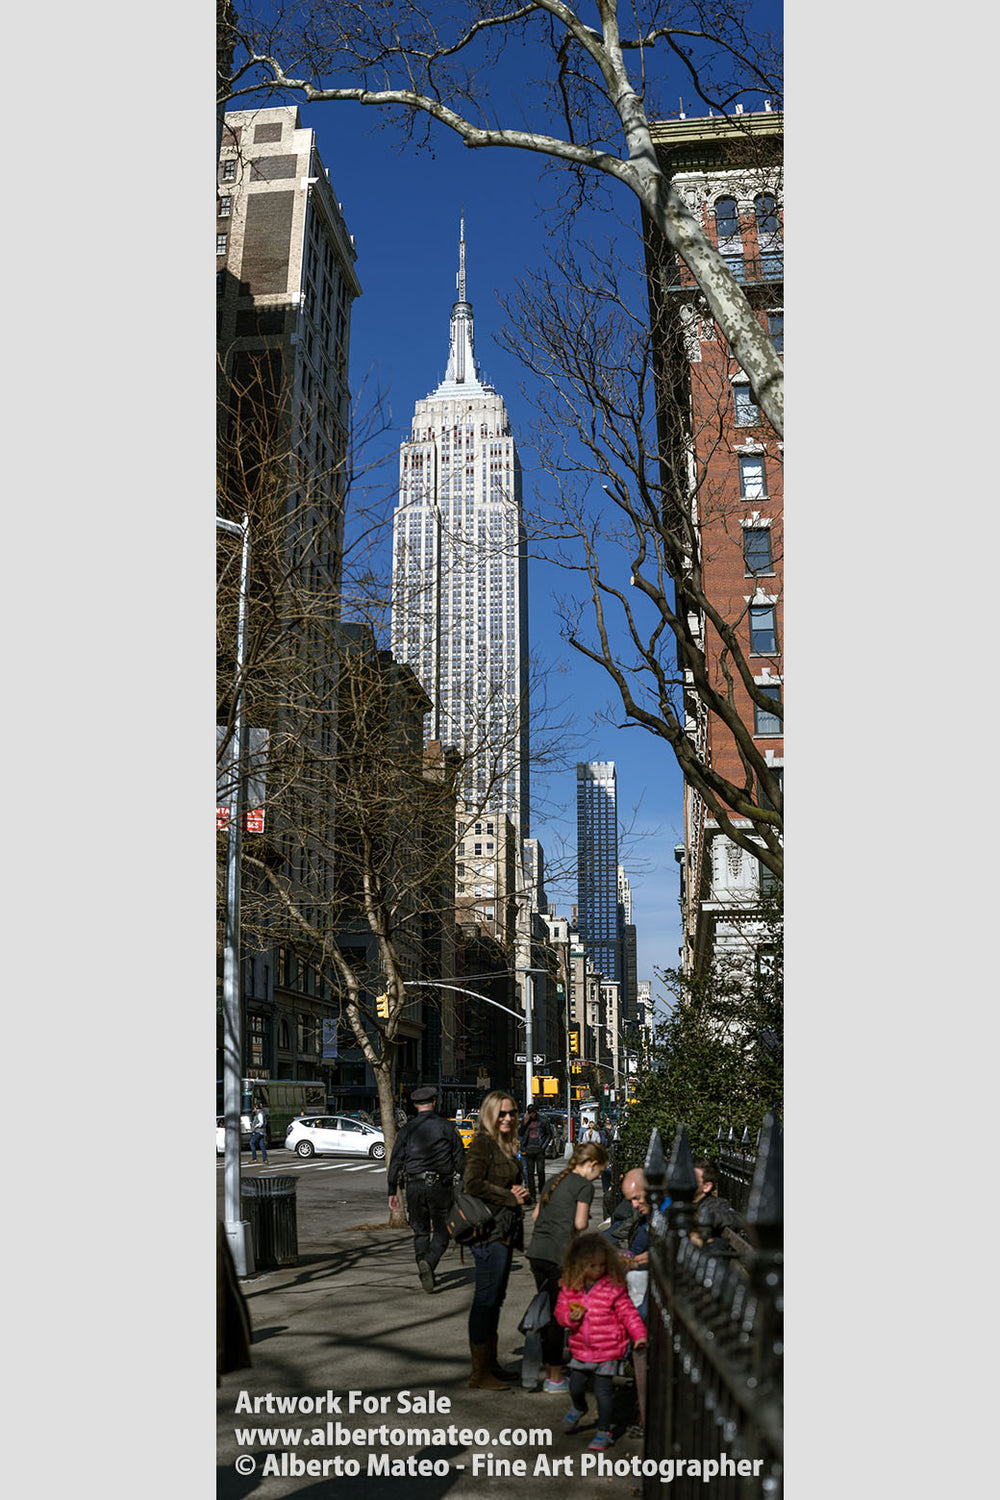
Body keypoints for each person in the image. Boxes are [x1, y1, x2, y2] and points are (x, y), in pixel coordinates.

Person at [526, 1141, 608, 1392]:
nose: (599, 1175)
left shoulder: (554, 1182)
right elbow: (581, 1223)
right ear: (591, 1165)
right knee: (557, 1318)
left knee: (544, 1307)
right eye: (600, 1171)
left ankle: (535, 1363)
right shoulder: (584, 1186)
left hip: (537, 1252)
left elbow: (535, 1215)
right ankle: (554, 1376)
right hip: (559, 1256)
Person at [554, 1232, 647, 1453]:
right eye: (592, 1266)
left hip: (608, 1348)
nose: (597, 1271)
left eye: (601, 1266)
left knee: (603, 1392)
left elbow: (628, 1313)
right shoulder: (571, 1287)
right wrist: (569, 1318)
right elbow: (560, 1312)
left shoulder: (613, 1286)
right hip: (582, 1348)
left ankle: (604, 1430)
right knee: (576, 1385)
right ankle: (579, 1407)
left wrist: (639, 1334)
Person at [463, 1089, 530, 1390]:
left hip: (504, 1232)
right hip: (487, 1233)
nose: (508, 1118)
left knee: (496, 1300)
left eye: (512, 1112)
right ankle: (479, 1374)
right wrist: (508, 1196)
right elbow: (472, 1184)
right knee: (485, 1300)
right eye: (502, 1113)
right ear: (490, 1115)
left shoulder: (505, 1145)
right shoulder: (482, 1144)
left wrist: (521, 1194)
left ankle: (490, 1364)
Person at [386, 1085, 466, 1293]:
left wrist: (392, 1190)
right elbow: (459, 1158)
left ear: (414, 1105)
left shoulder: (407, 1130)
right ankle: (429, 1263)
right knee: (442, 1231)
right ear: (434, 1102)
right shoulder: (446, 1127)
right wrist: (462, 1181)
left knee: (420, 1231)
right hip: (440, 1185)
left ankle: (424, 1268)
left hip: (414, 1185)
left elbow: (395, 1161)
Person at [692, 1158, 738, 1249]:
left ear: (707, 1186)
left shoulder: (715, 1205)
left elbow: (737, 1219)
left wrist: (705, 1216)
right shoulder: (679, 1200)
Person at [518, 1105, 555, 1201]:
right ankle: (532, 1194)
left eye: (532, 1112)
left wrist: (543, 1146)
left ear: (535, 1112)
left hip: (539, 1149)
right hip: (529, 1148)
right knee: (530, 1173)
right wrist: (524, 1124)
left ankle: (541, 1190)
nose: (531, 1115)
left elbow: (549, 1134)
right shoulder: (526, 1120)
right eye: (529, 1113)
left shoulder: (543, 1120)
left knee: (540, 1171)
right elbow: (520, 1133)